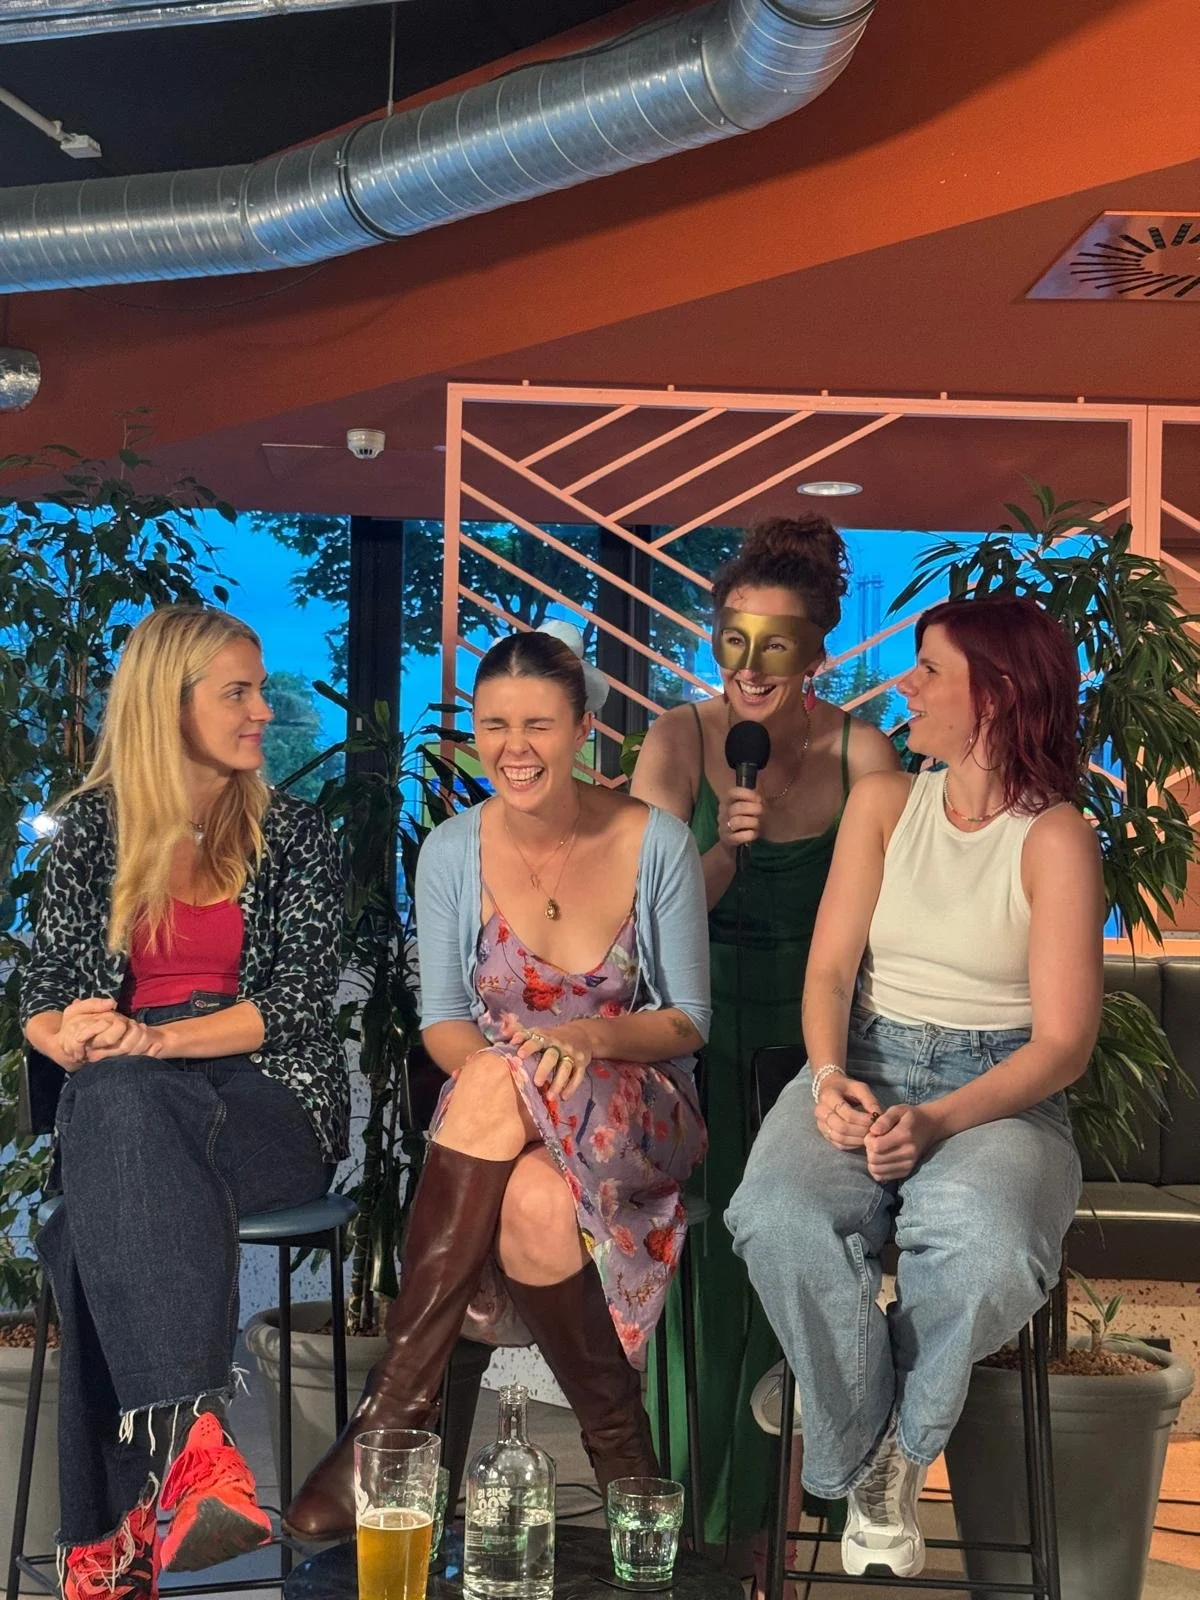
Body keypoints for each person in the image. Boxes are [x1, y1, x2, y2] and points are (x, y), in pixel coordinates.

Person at [285, 624, 710, 1540]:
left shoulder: (657, 840)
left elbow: (688, 1022)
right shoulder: (450, 849)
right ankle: (627, 1467)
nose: (513, 749)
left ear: (584, 728)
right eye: (493, 725)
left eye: (540, 725)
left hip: (638, 1101)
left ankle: (389, 1422)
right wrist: (512, 1071)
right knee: (529, 1201)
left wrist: (588, 1037)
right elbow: (443, 1023)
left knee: (493, 1081)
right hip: (499, 1117)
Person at [727, 592, 1104, 1579]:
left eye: (930, 669)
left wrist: (936, 1120)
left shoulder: (1056, 836)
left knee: (988, 1249)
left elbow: (1064, 1043)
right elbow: (827, 970)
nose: (907, 686)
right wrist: (830, 1077)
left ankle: (869, 1433)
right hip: (862, 1055)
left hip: (1001, 1091)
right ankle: (868, 1418)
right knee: (773, 1211)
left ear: (997, 692)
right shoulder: (887, 800)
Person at [20, 606, 349, 1600]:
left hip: (269, 1109)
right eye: (237, 693)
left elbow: (292, 1005)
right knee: (99, 1197)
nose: (263, 711)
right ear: (170, 706)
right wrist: (68, 1031)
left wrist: (152, 1039)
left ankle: (110, 1541)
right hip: (130, 1108)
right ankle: (192, 1458)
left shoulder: (294, 832)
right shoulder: (88, 833)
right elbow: (49, 994)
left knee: (100, 1189)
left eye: (261, 688)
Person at [629, 516, 897, 1549]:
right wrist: (724, 856)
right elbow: (647, 921)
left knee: (794, 1252)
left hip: (818, 1049)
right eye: (732, 640)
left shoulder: (865, 750)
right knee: (700, 1260)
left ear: (818, 651)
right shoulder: (677, 740)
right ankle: (688, 1522)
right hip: (690, 1040)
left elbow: (886, 921)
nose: (748, 667)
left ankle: (791, 1515)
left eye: (776, 644)